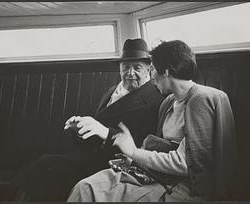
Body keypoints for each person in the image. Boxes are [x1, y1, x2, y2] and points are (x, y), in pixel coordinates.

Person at [67, 40, 237, 202]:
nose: (152, 76)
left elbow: (186, 164)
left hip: (182, 185)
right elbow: (160, 146)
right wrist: (132, 159)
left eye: (153, 69)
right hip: (157, 174)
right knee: (85, 186)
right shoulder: (169, 102)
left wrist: (134, 152)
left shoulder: (200, 99)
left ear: (167, 72)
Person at [10, 38, 164, 201]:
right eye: (125, 67)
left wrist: (105, 132)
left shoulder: (154, 99)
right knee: (41, 163)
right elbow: (98, 124)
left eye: (137, 68)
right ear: (119, 68)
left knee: (47, 168)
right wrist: (81, 129)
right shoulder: (112, 90)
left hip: (115, 164)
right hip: (90, 154)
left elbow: (143, 143)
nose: (130, 73)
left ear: (149, 69)